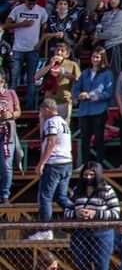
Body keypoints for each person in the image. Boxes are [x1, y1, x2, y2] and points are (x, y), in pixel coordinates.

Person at [64, 162, 120, 270]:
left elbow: (116, 213)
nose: (88, 177)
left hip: (102, 233)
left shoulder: (107, 190)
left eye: (91, 174)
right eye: (85, 174)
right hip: (80, 234)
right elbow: (67, 211)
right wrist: (76, 214)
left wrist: (95, 214)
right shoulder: (77, 190)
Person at [31, 99, 73, 242]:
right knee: (61, 197)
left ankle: (46, 229)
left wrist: (41, 163)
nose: (41, 114)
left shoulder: (51, 122)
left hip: (54, 163)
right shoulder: (63, 121)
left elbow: (51, 142)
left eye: (41, 111)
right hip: (67, 162)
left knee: (45, 197)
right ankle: (77, 213)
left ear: (46, 109)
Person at [71, 47, 114, 168]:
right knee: (85, 139)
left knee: (99, 138)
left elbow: (109, 92)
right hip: (84, 110)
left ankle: (99, 164)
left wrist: (94, 96)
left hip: (99, 110)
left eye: (98, 57)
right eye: (93, 57)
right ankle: (84, 164)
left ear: (102, 58)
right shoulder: (85, 73)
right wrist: (79, 95)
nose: (95, 59)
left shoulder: (107, 74)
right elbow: (77, 89)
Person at [5, 0, 47, 108]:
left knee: (31, 80)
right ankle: (11, 106)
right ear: (25, 0)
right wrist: (21, 24)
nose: (31, 6)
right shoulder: (17, 9)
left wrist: (40, 42)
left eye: (33, 3)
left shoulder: (41, 10)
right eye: (29, 4)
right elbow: (7, 25)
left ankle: (30, 107)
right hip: (18, 49)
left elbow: (45, 27)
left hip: (32, 50)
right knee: (13, 79)